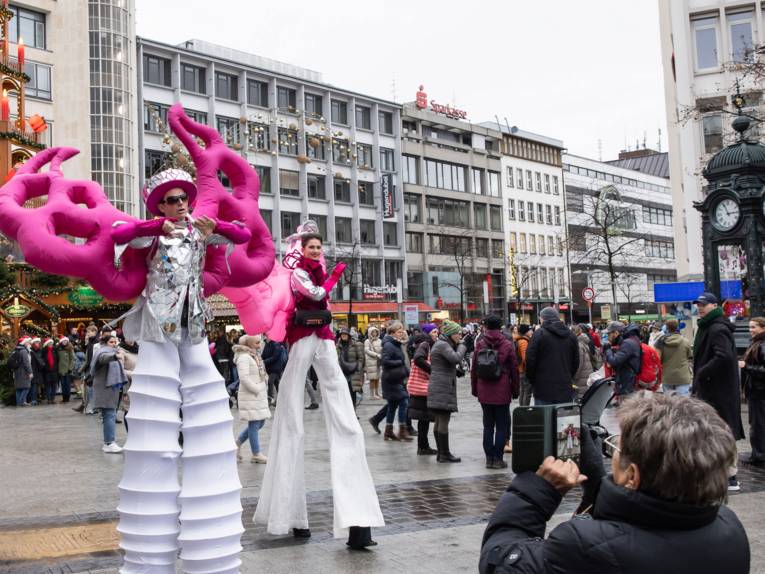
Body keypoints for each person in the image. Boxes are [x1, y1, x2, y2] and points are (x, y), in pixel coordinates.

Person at [110, 167, 253, 571]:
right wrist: (158, 225)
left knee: (207, 395)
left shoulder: (199, 231)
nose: (180, 204)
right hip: (158, 320)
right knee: (155, 400)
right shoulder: (151, 233)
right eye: (171, 200)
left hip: (193, 320)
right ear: (160, 204)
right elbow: (119, 234)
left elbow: (243, 236)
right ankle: (148, 542)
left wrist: (215, 224)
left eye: (182, 198)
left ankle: (210, 521)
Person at [479, 392, 750, 573]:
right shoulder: (729, 528)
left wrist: (535, 492)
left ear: (632, 475)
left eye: (616, 450)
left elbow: (500, 560)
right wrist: (597, 486)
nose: (611, 457)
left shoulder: (580, 546)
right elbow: (636, 524)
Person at [254, 226, 384, 550]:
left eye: (318, 247)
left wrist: (330, 276)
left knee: (344, 418)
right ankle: (292, 516)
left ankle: (358, 521)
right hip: (302, 338)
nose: (315, 251)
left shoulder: (314, 268)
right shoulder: (297, 272)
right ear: (302, 249)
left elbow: (320, 295)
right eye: (310, 247)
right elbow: (313, 293)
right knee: (290, 416)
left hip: (322, 337)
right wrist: (334, 277)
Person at [692, 292, 744, 491]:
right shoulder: (709, 327)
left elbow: (723, 357)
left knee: (723, 431)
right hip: (713, 389)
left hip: (719, 391)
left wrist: (702, 373)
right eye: (699, 305)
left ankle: (730, 476)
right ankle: (719, 473)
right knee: (714, 431)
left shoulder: (716, 328)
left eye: (704, 304)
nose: (701, 307)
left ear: (715, 305)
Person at [471, 315, 519, 469]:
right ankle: (498, 459)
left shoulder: (480, 343)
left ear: (486, 327)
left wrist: (475, 389)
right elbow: (514, 369)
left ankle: (489, 459)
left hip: (484, 390)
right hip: (502, 390)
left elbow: (474, 369)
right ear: (500, 327)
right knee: (501, 426)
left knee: (487, 426)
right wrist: (515, 390)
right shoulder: (506, 344)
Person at [428, 320, 467, 463]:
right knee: (443, 419)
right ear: (450, 333)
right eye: (457, 333)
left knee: (439, 420)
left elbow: (443, 365)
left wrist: (455, 372)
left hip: (438, 385)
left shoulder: (441, 344)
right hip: (442, 387)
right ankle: (444, 454)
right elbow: (455, 358)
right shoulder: (443, 344)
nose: (459, 336)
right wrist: (463, 346)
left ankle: (441, 453)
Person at [525, 307, 579, 405]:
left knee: (545, 419)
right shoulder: (571, 335)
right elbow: (576, 362)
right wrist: (567, 376)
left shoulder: (539, 334)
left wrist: (534, 380)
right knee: (562, 419)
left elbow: (530, 360)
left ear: (543, 318)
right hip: (564, 388)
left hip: (543, 389)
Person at [234, 334, 270, 464]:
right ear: (248, 344)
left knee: (260, 422)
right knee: (254, 423)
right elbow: (244, 378)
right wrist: (257, 388)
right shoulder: (244, 357)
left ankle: (237, 444)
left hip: (258, 394)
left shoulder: (254, 355)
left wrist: (264, 380)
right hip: (251, 395)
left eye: (259, 342)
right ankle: (256, 453)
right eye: (256, 343)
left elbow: (260, 372)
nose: (259, 345)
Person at [91, 334, 127, 453]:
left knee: (110, 415)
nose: (114, 344)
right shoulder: (102, 352)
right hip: (105, 388)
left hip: (111, 388)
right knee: (110, 415)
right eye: (111, 342)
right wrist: (115, 356)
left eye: (115, 342)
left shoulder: (110, 351)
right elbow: (104, 358)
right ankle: (109, 442)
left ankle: (109, 442)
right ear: (105, 343)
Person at [380, 321, 413, 441]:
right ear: (393, 333)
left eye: (402, 331)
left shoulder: (396, 343)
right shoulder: (389, 345)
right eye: (399, 332)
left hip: (395, 378)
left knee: (393, 405)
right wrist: (399, 363)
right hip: (390, 380)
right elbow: (384, 361)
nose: (402, 333)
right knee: (404, 401)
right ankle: (402, 430)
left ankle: (388, 431)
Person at [740, 317, 765, 466]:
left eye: (754, 327)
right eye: (749, 327)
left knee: (758, 424)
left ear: (763, 328)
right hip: (756, 391)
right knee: (757, 423)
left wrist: (746, 366)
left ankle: (759, 455)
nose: (750, 330)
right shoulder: (757, 343)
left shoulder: (761, 345)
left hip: (759, 392)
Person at [408, 330, 437, 455]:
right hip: (422, 390)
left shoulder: (416, 351)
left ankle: (423, 446)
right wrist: (433, 370)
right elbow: (422, 364)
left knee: (423, 420)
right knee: (424, 420)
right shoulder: (423, 350)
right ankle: (423, 447)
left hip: (416, 389)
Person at [603, 321, 641, 399]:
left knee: (625, 408)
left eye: (609, 334)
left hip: (627, 385)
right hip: (627, 382)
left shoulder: (627, 343)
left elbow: (614, 361)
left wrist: (608, 349)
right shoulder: (628, 342)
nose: (608, 337)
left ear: (616, 333)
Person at [656, 318, 692, 396]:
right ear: (677, 327)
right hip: (683, 376)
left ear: (667, 327)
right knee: (683, 403)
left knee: (669, 403)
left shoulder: (661, 342)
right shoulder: (685, 341)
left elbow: (657, 358)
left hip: (667, 377)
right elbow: (690, 356)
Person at [337, 327, 365, 408]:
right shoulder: (338, 345)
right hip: (342, 373)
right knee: (344, 394)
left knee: (353, 394)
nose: (343, 336)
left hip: (353, 373)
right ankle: (347, 414)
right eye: (342, 334)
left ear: (349, 335)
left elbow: (361, 358)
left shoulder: (356, 344)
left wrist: (358, 368)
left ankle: (353, 414)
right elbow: (337, 358)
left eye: (345, 334)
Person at [261, 335, 287, 406]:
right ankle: (283, 399)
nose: (264, 337)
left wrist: (264, 361)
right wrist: (260, 359)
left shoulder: (276, 344)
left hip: (276, 368)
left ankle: (270, 399)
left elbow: (275, 357)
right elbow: (263, 355)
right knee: (276, 383)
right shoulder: (267, 344)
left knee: (270, 382)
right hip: (270, 368)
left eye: (265, 335)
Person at [572, 324, 594, 400]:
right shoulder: (583, 341)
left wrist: (574, 377)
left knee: (581, 399)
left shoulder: (578, 345)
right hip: (586, 374)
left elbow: (579, 364)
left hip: (581, 377)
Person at [10, 336, 32, 406]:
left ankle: (19, 403)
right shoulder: (24, 351)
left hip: (16, 372)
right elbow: (26, 363)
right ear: (24, 343)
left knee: (18, 389)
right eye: (28, 342)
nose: (29, 343)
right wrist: (30, 372)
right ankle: (21, 402)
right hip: (23, 372)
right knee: (26, 387)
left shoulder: (15, 350)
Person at [513, 324, 532, 406]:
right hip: (524, 370)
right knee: (526, 392)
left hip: (521, 370)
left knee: (523, 391)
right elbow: (525, 358)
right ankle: (524, 410)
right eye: (529, 330)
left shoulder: (519, 340)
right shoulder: (523, 341)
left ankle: (522, 408)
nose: (531, 331)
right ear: (525, 332)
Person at [364, 326, 383, 400]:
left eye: (375, 332)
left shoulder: (380, 340)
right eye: (373, 332)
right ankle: (372, 394)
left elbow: (381, 348)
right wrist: (376, 355)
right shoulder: (367, 341)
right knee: (372, 379)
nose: (374, 333)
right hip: (371, 362)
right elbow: (367, 351)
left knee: (377, 378)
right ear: (370, 333)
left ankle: (377, 392)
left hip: (378, 361)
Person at [56, 336, 75, 403]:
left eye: (66, 341)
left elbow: (72, 359)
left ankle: (67, 397)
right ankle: (64, 398)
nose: (65, 342)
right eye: (63, 341)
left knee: (67, 385)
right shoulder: (58, 349)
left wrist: (70, 368)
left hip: (67, 370)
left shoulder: (70, 348)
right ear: (61, 341)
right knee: (63, 384)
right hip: (60, 369)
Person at [41, 338, 58, 404]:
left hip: (54, 370)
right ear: (46, 344)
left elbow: (57, 359)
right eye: (49, 343)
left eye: (51, 343)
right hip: (47, 371)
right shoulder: (43, 351)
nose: (51, 344)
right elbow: (41, 360)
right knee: (48, 386)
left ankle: (52, 398)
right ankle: (49, 399)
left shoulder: (54, 350)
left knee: (54, 385)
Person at [28, 337, 44, 405]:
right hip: (33, 370)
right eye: (36, 342)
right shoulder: (31, 351)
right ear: (33, 344)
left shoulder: (40, 350)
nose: (37, 344)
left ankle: (36, 398)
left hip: (39, 371)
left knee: (37, 385)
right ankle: (33, 399)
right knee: (33, 385)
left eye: (38, 342)